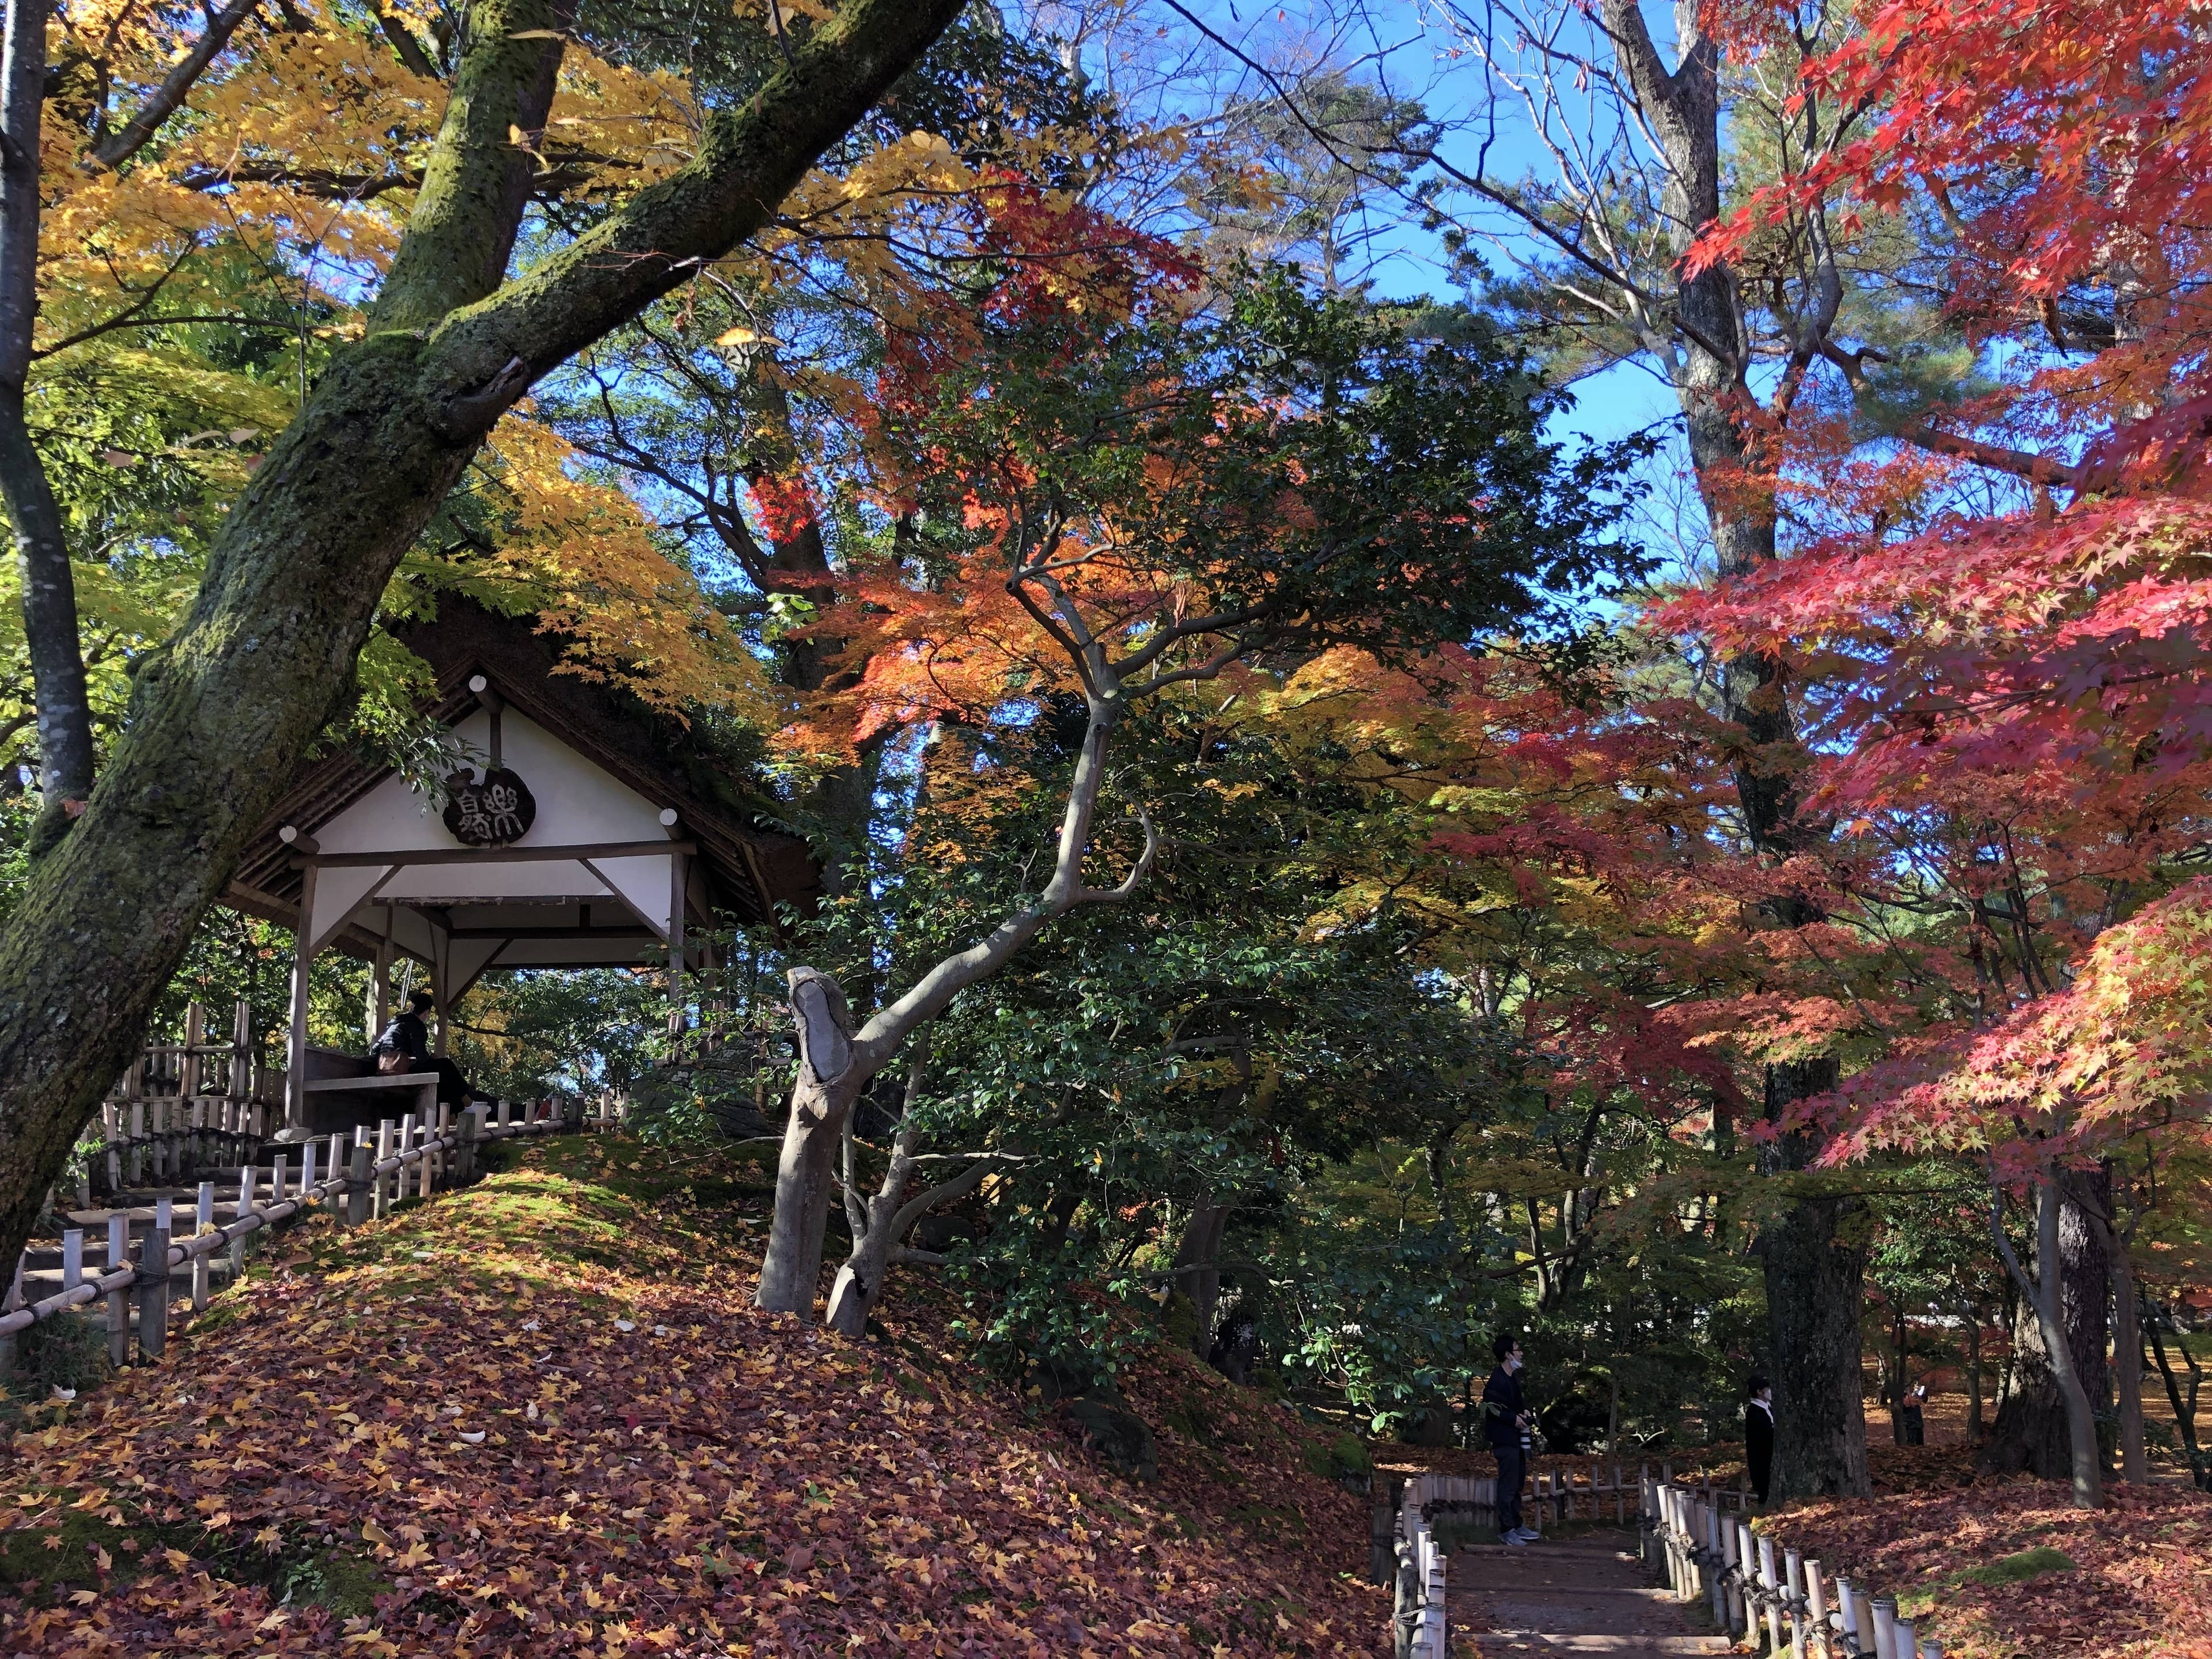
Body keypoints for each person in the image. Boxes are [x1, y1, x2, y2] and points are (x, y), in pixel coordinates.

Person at [370, 988, 474, 1111]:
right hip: (404, 1070)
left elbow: (375, 1049)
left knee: (441, 1074)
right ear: (426, 1013)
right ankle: (468, 1103)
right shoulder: (416, 1025)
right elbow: (419, 1057)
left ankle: (454, 1114)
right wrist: (432, 1060)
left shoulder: (394, 1024)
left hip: (384, 1071)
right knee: (446, 1066)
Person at [1484, 1334, 1538, 1544]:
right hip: (1504, 1440)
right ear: (1507, 1355)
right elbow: (1493, 1410)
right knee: (1508, 1485)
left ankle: (1517, 1524)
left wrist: (1522, 1412)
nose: (1521, 1353)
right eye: (1517, 1349)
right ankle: (1507, 1530)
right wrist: (1513, 1419)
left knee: (1517, 1483)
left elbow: (1514, 1405)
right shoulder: (1496, 1380)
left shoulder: (1512, 1378)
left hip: (1516, 1440)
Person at [1745, 1376, 1775, 1505]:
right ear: (1759, 1391)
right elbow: (1761, 1436)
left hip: (1771, 1456)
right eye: (1767, 1389)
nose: (1769, 1391)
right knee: (1764, 1487)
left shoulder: (1769, 1408)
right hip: (1762, 1458)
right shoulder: (1754, 1412)